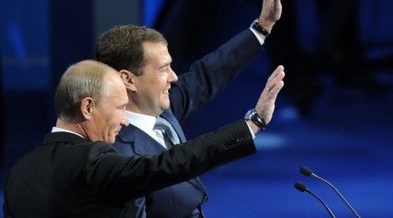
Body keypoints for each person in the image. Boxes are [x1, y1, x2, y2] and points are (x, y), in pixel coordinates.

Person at [95, 0, 282, 217]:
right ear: (128, 80)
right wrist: (254, 123)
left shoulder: (163, 109)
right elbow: (195, 155)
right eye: (163, 69)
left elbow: (209, 74)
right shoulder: (117, 152)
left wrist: (262, 26)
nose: (174, 77)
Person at [3, 60, 285, 217]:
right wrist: (253, 124)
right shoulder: (93, 161)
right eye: (119, 108)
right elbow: (170, 164)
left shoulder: (19, 173)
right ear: (88, 108)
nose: (125, 120)